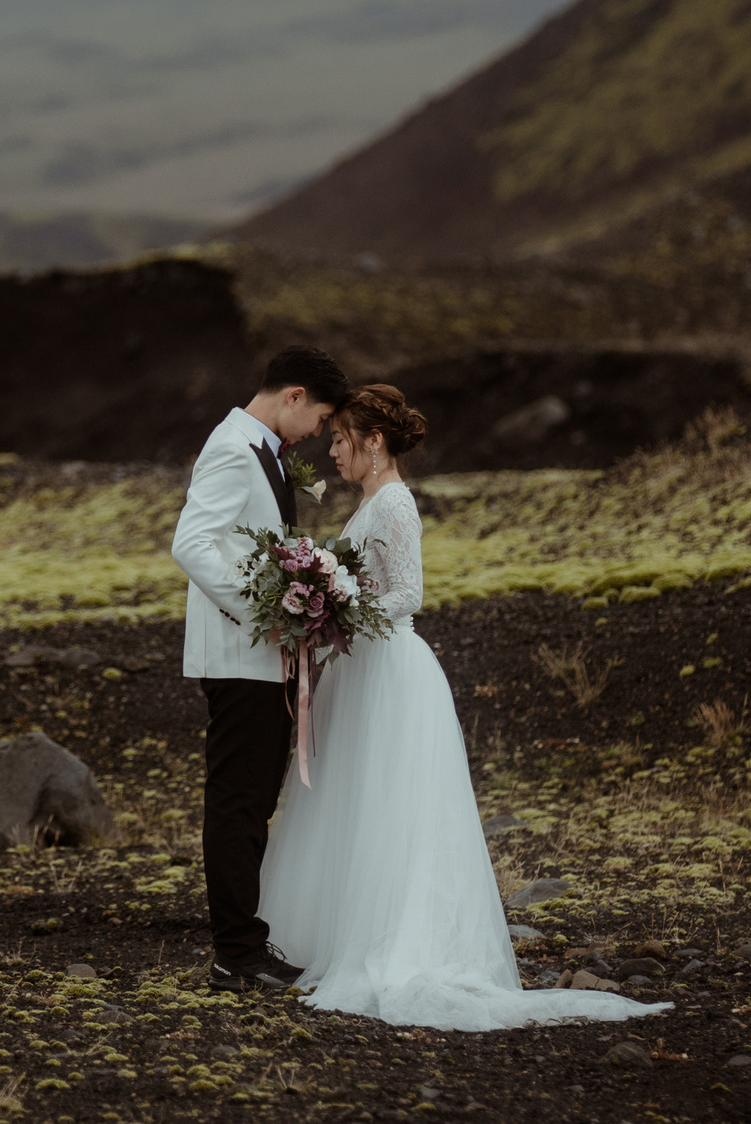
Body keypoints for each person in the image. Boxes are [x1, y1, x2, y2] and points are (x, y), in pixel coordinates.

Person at [257, 383, 672, 1031]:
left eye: (341, 439)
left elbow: (410, 593)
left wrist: (342, 608)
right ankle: (336, 935)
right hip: (359, 667)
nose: (332, 450)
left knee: (390, 804)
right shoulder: (369, 501)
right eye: (331, 438)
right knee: (354, 801)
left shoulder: (394, 502)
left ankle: (395, 939)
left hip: (389, 669)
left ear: (374, 442)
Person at [168, 343, 350, 993]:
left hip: (263, 659)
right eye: (321, 417)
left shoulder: (261, 450)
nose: (320, 434)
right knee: (238, 803)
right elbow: (190, 542)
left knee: (253, 804)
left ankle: (246, 943)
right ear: (294, 395)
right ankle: (235, 953)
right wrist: (269, 609)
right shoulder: (230, 447)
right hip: (239, 657)